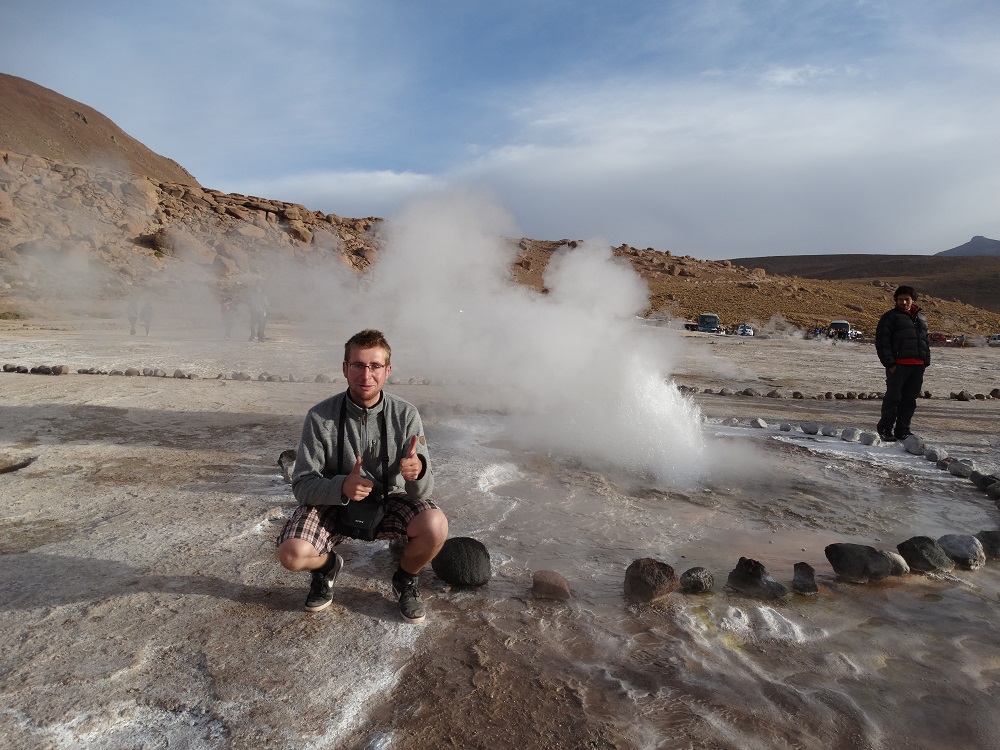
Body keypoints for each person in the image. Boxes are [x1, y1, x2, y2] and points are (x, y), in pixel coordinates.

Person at [276, 329, 448, 623]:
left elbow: (423, 492)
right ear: (345, 368)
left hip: (389, 500)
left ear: (387, 370)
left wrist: (417, 471)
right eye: (357, 365)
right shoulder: (320, 416)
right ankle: (327, 566)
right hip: (334, 503)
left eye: (375, 366)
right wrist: (341, 485)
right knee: (291, 554)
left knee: (435, 525)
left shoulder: (406, 415)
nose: (366, 375)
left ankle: (406, 578)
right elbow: (302, 484)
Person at [875, 285, 930, 442]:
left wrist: (926, 361)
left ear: (913, 300)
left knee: (909, 399)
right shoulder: (889, 317)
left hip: (917, 365)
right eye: (900, 299)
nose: (904, 302)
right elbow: (882, 342)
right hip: (898, 366)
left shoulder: (921, 317)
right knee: (893, 398)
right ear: (896, 300)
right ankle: (885, 429)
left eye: (907, 299)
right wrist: (890, 364)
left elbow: (925, 340)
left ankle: (903, 430)